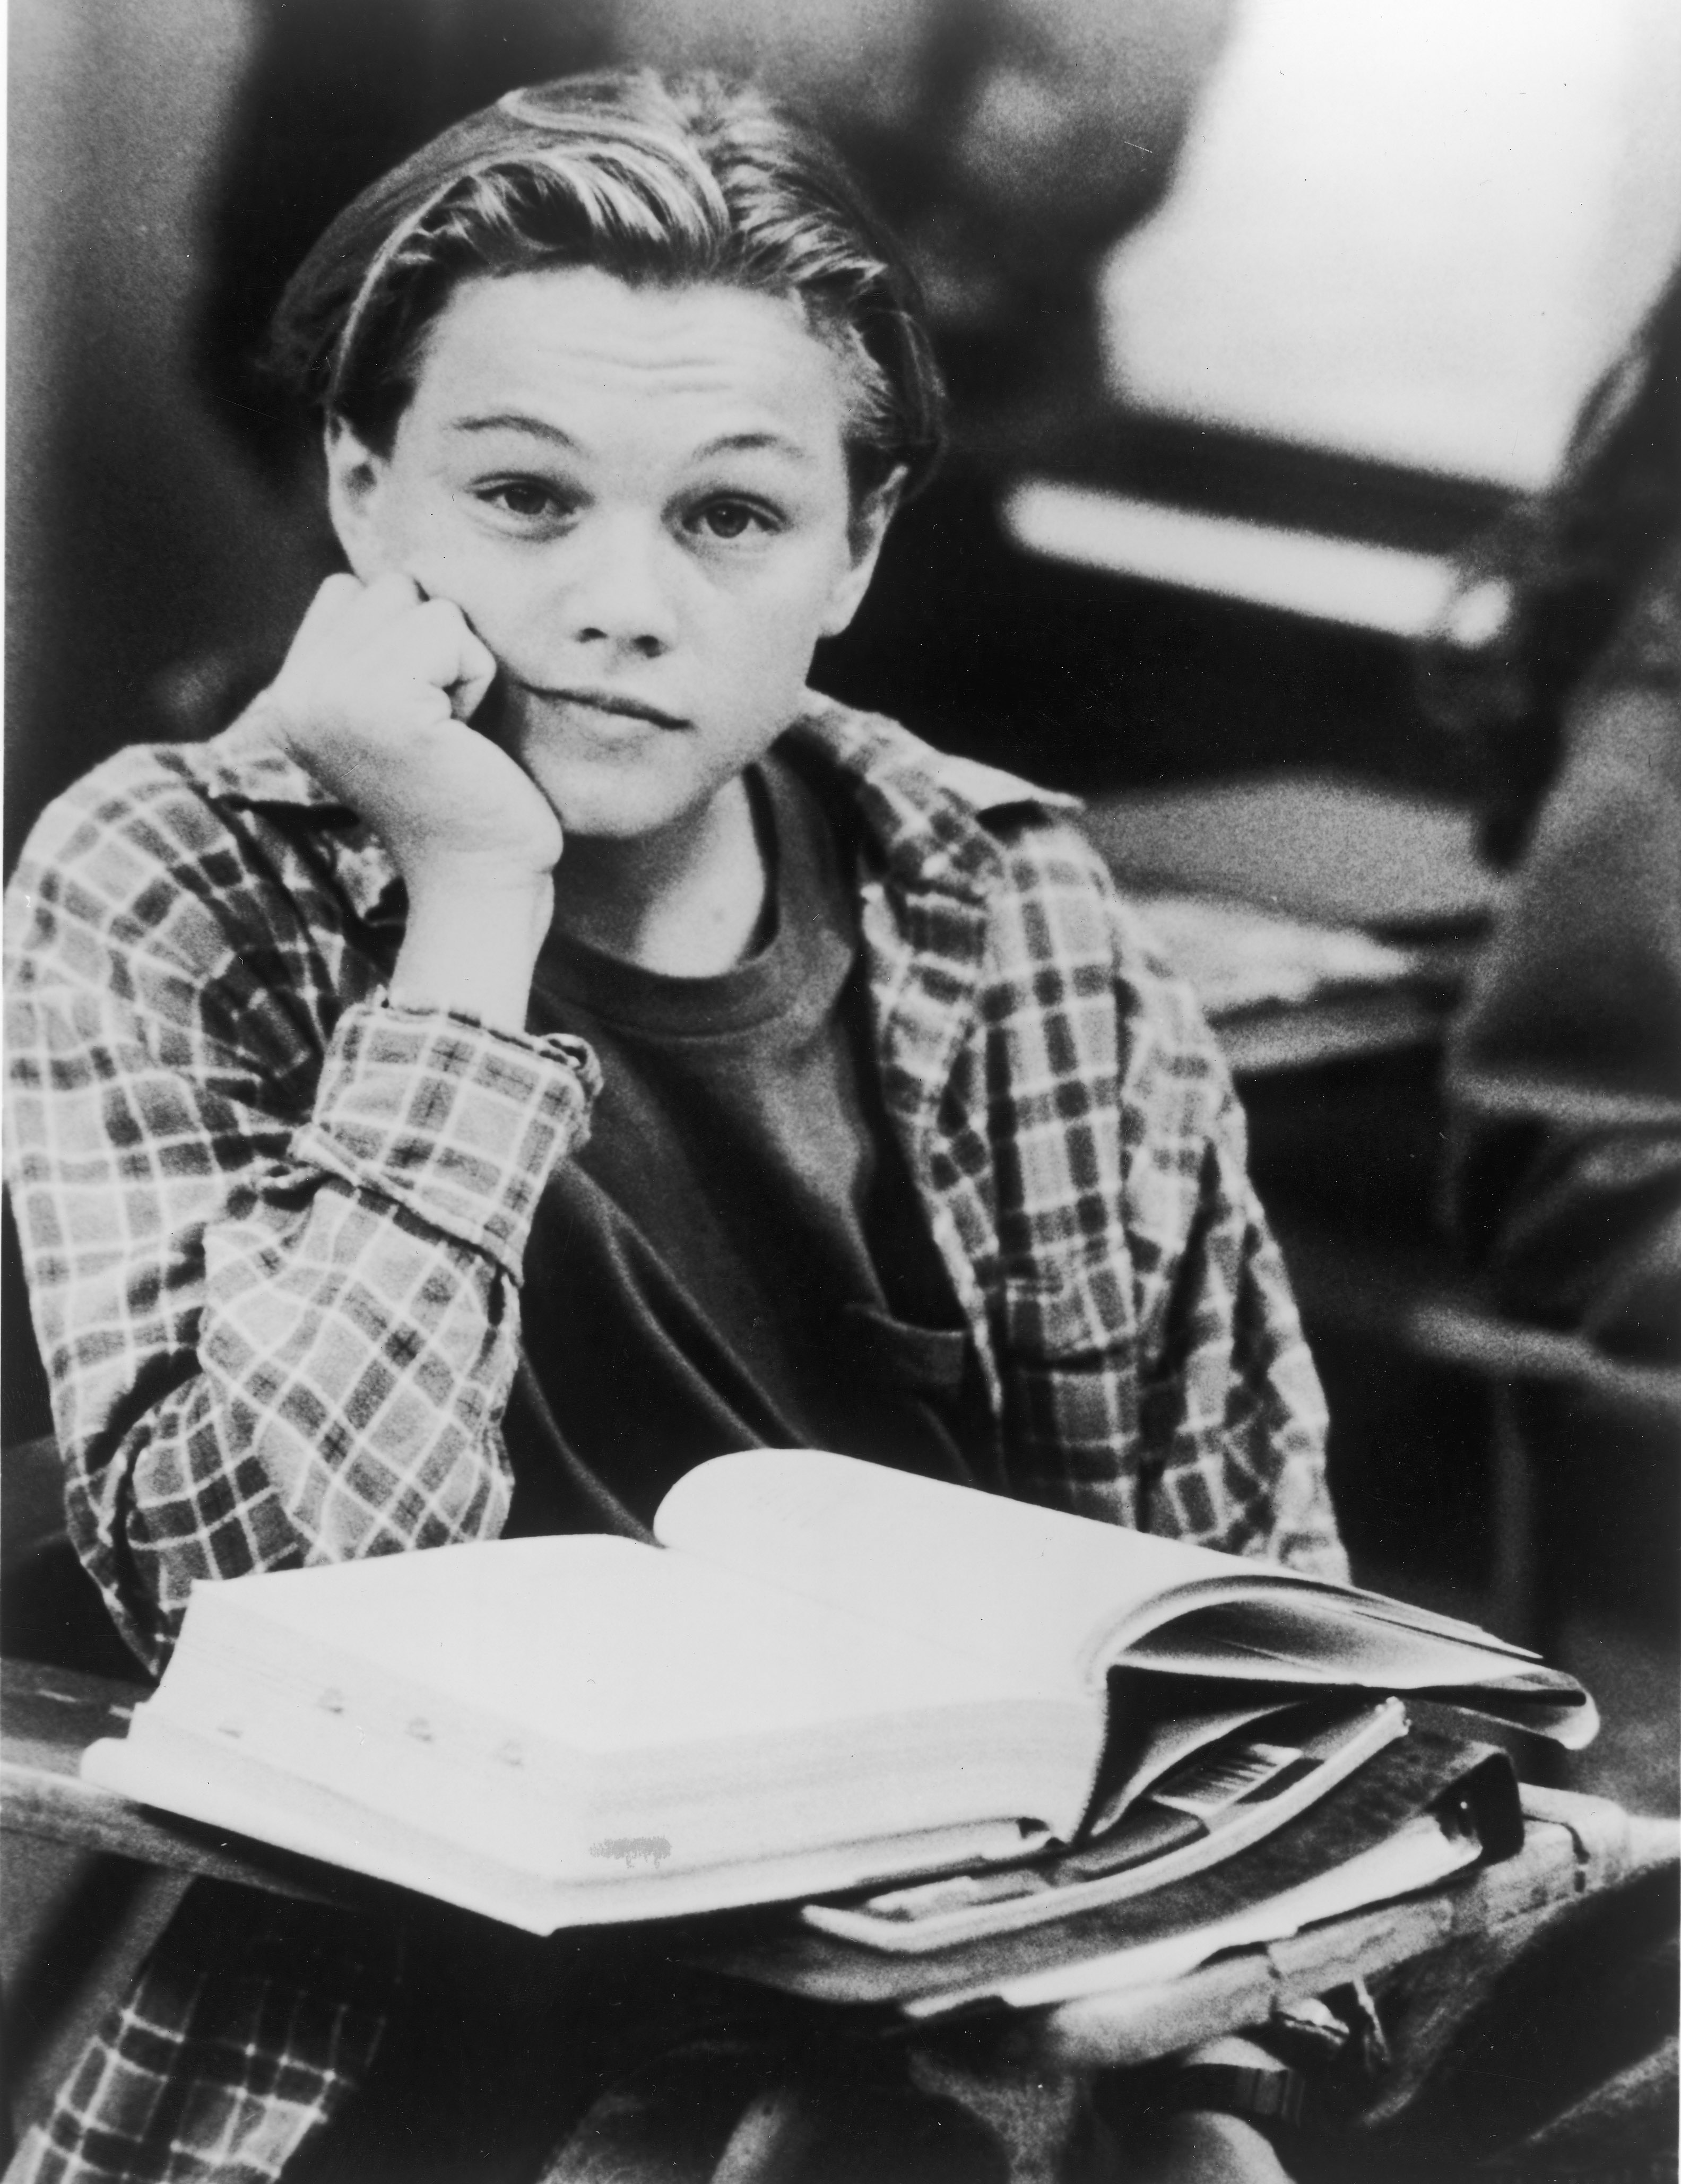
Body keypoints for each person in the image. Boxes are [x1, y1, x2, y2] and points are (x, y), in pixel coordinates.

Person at [3, 70, 1337, 2183]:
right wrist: (467, 907)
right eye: (525, 498)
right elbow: (252, 1590)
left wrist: (1207, 2103)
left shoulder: (1001, 906)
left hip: (978, 2010)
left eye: (729, 514)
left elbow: (1249, 1618)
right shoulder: (166, 883)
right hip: (403, 2020)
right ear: (364, 498)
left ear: (857, 551)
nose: (626, 603)